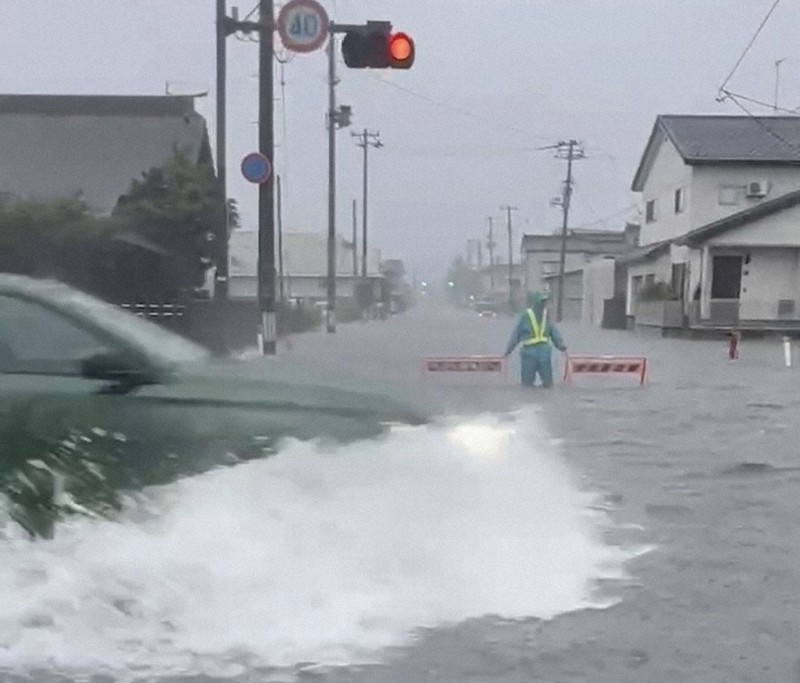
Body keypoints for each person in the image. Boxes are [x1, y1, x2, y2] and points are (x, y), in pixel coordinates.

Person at [504, 291, 567, 388]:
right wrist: (561, 346)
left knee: (531, 385)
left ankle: (531, 399)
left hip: (534, 353)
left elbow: (516, 335)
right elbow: (554, 333)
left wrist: (508, 351)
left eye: (545, 302)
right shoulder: (528, 316)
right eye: (543, 302)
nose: (544, 305)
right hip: (538, 353)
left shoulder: (542, 316)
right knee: (544, 385)